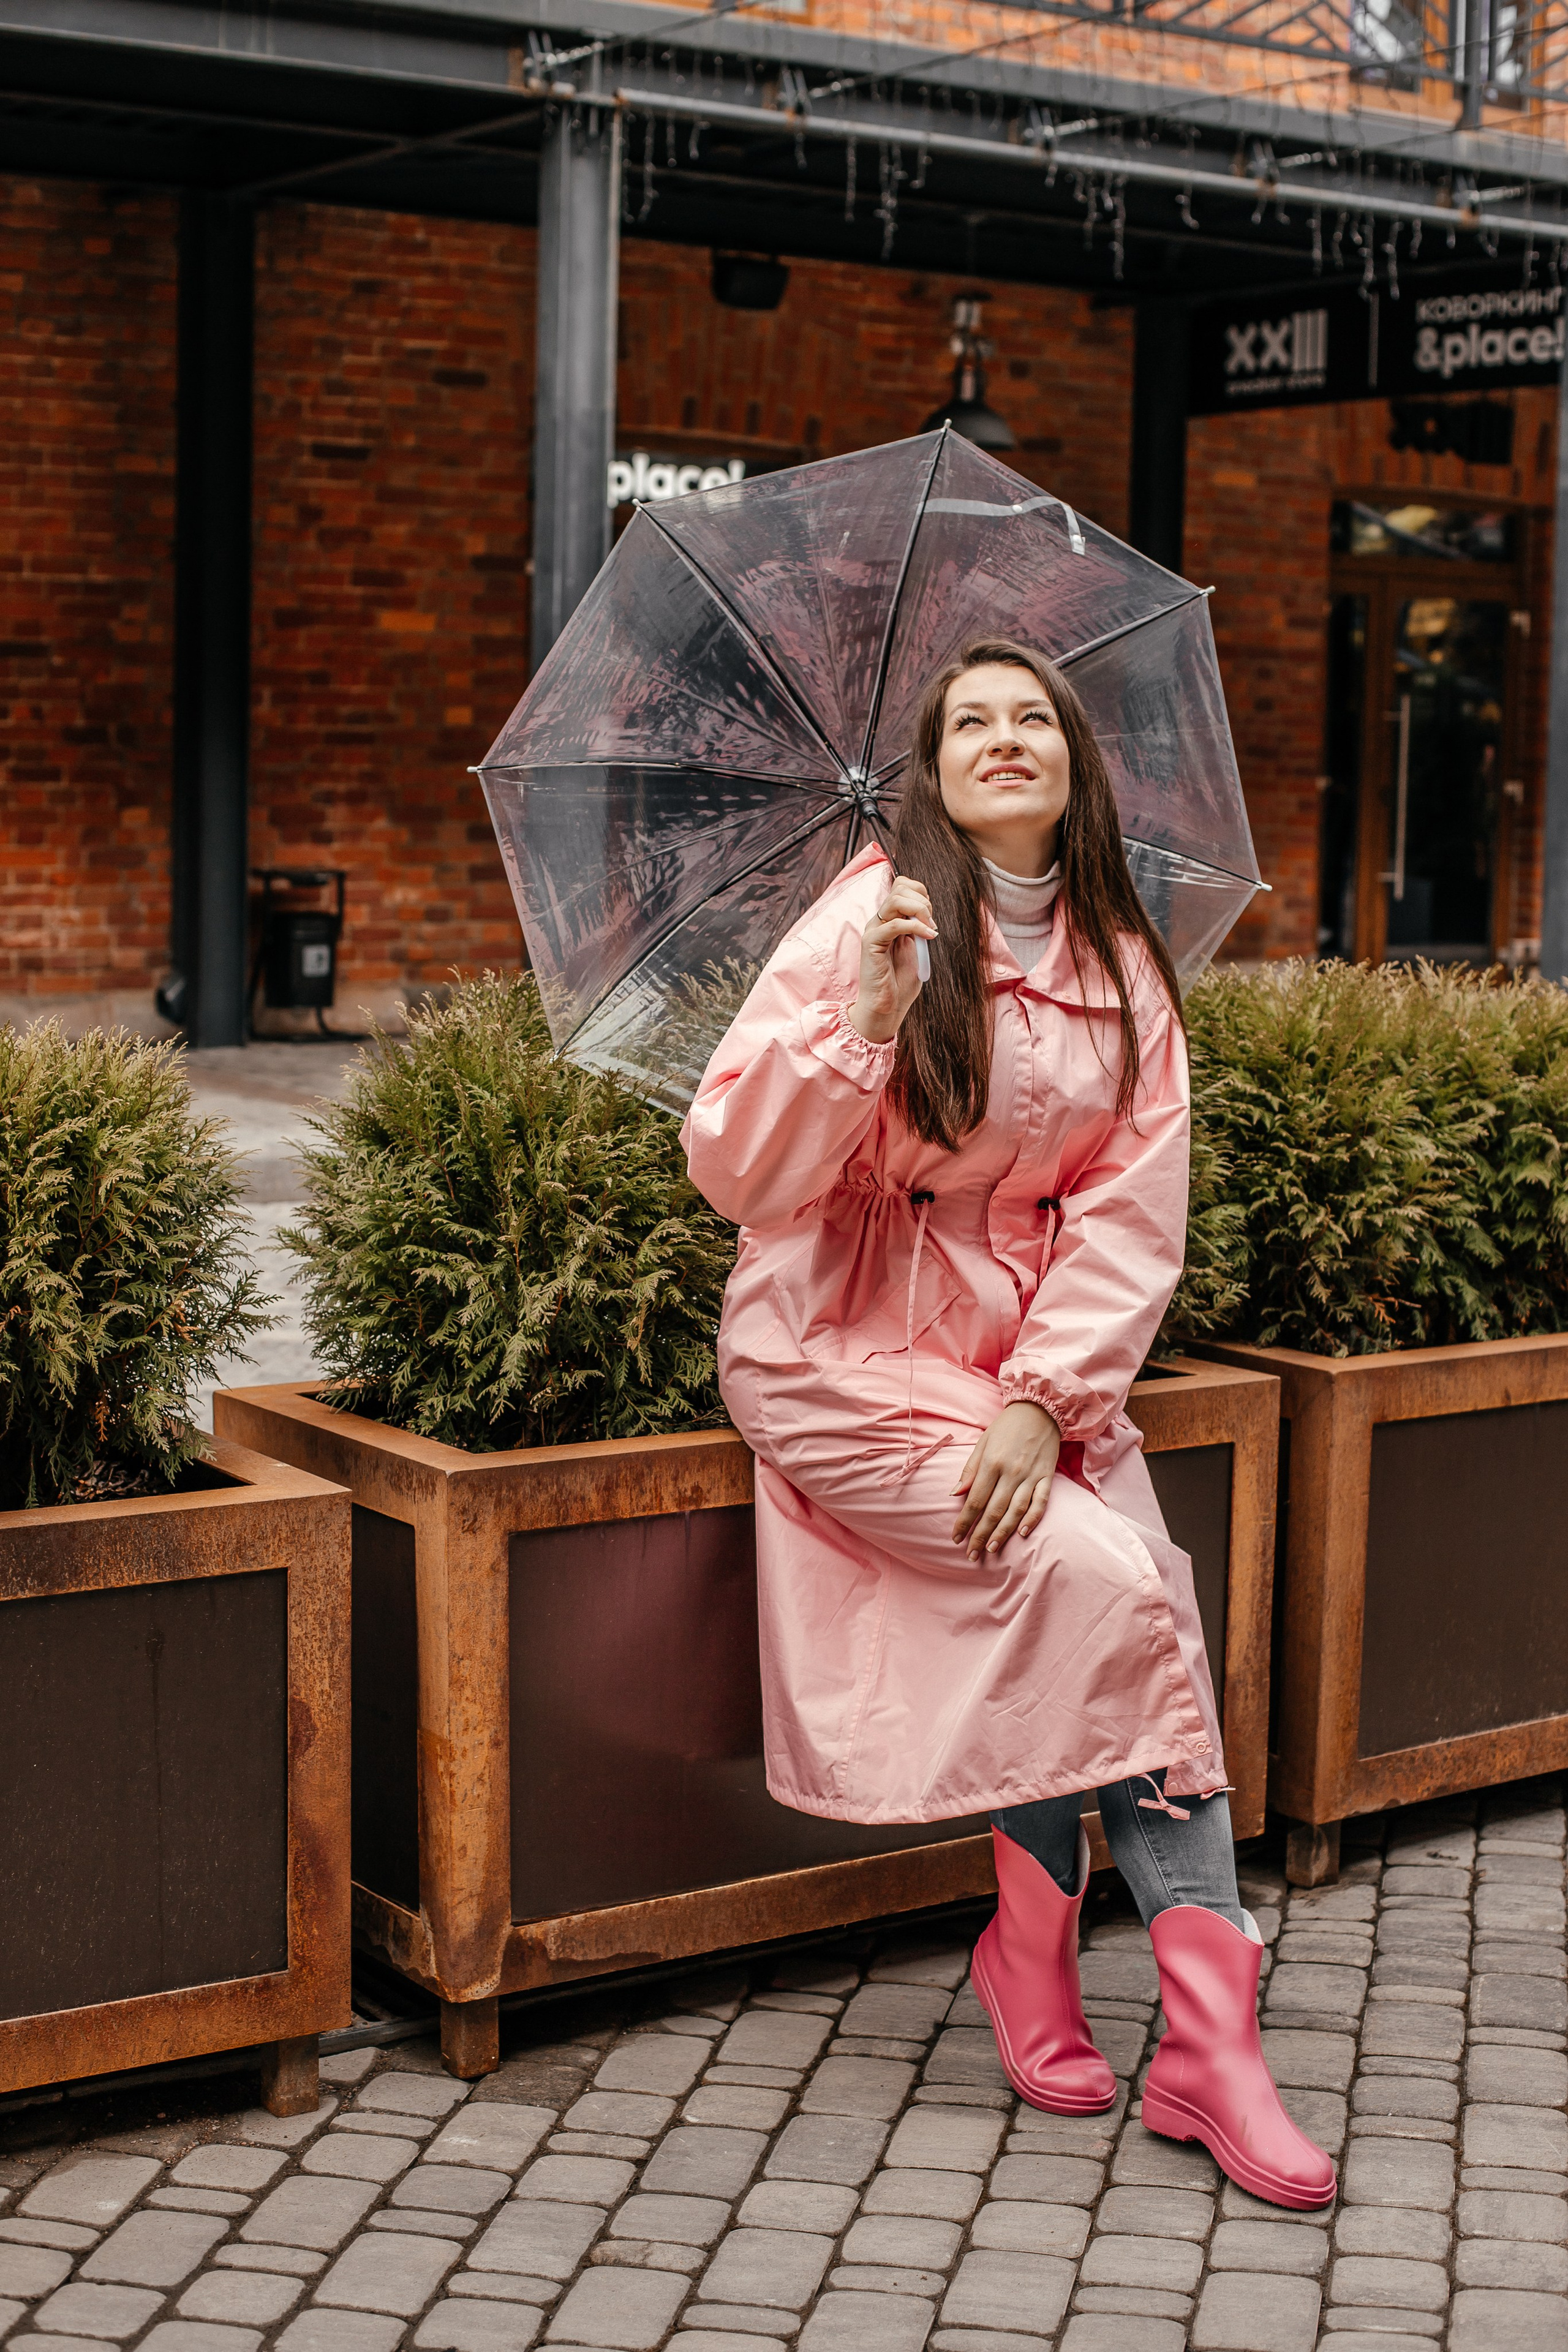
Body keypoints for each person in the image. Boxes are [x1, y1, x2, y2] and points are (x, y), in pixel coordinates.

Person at [681, 636, 1334, 2212]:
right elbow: (738, 1172)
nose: (1002, 739)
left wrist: (1044, 1401)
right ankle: (1201, 2033)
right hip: (840, 1349)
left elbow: (1130, 1208)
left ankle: (1058, 1976)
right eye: (968, 721)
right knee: (1114, 1590)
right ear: (934, 768)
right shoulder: (872, 912)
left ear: (1069, 760)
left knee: (1089, 1601)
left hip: (1028, 1367)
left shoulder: (1122, 958)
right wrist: (864, 1020)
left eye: (1029, 716)